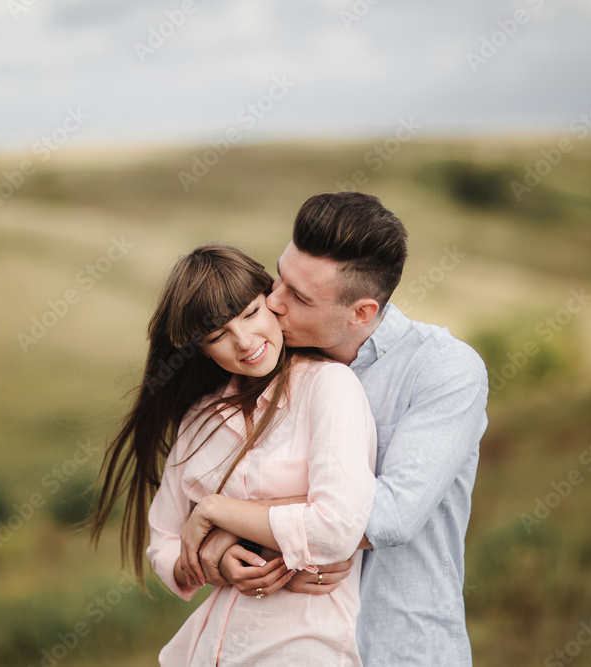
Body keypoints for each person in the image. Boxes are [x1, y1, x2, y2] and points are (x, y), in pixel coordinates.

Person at [201, 192, 489, 666]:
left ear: (361, 313)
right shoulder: (266, 363)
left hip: (399, 651)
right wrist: (225, 540)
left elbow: (388, 517)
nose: (272, 302)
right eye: (280, 278)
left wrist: (226, 517)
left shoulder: (445, 370)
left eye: (299, 296)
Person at [89, 244, 377, 666]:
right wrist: (220, 565)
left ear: (271, 302)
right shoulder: (200, 419)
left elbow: (336, 527)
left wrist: (216, 511)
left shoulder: (328, 387)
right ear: (200, 350)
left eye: (250, 314)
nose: (244, 342)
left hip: (303, 648)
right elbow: (164, 544)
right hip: (208, 652)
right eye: (217, 336)